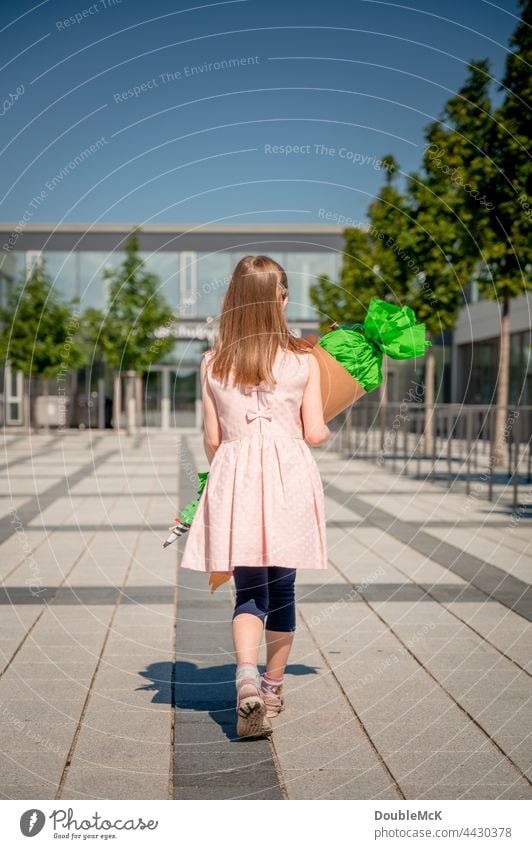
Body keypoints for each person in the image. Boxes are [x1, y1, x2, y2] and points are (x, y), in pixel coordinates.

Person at [179, 254, 330, 738]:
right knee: (282, 590)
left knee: (249, 591)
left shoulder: (212, 363)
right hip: (287, 480)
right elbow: (316, 434)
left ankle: (243, 683)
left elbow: (211, 438)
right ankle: (271, 688)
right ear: (280, 300)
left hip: (237, 478)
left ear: (235, 303)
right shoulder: (305, 360)